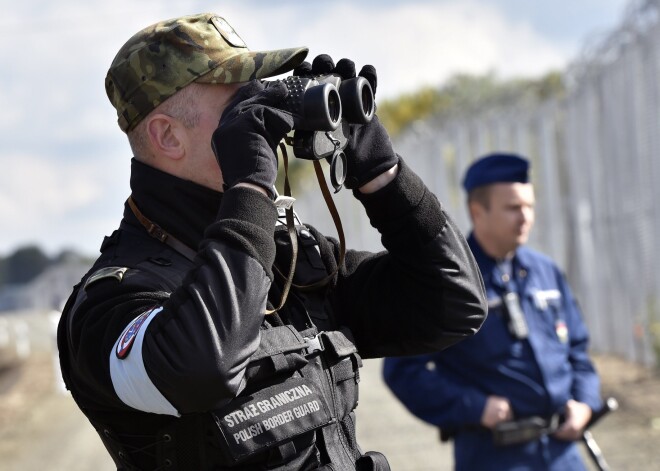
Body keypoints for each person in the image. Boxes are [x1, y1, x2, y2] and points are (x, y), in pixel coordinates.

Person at [57, 12, 487, 471]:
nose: (262, 113)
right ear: (167, 135)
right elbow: (203, 367)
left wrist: (383, 176)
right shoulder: (111, 301)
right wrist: (248, 186)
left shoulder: (289, 258)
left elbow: (452, 305)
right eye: (238, 101)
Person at [383, 153, 603, 471]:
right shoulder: (448, 282)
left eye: (529, 206)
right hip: (495, 456)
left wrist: (584, 402)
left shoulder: (545, 272)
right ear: (478, 212)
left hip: (562, 452)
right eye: (513, 208)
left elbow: (578, 351)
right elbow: (404, 372)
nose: (525, 217)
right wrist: (475, 407)